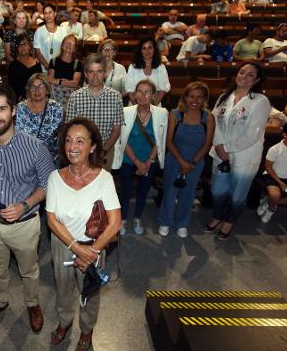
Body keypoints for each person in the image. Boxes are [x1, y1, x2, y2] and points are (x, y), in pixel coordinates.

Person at [0, 83, 55, 333]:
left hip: (24, 224)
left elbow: (48, 184)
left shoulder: (34, 146)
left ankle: (32, 303)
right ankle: (0, 301)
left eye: (1, 109)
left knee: (29, 270)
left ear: (14, 110)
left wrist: (25, 205)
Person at [46, 117, 121, 351]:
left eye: (80, 141)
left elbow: (115, 223)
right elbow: (51, 219)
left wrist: (92, 251)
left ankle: (87, 329)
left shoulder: (104, 179)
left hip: (94, 246)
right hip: (63, 244)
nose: (72, 146)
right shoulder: (55, 178)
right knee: (63, 288)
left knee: (90, 292)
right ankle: (64, 322)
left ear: (93, 146)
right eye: (68, 140)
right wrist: (77, 249)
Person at [205, 62, 271, 240]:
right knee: (217, 191)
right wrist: (219, 145)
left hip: (244, 156)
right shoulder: (224, 97)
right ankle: (218, 215)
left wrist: (226, 148)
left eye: (250, 75)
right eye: (242, 72)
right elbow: (213, 122)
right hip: (220, 153)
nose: (244, 76)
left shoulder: (260, 101)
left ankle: (229, 221)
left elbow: (253, 133)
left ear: (256, 80)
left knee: (237, 195)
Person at [157, 82, 215, 238]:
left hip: (196, 161)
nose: (194, 100)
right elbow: (169, 141)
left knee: (188, 194)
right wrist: (182, 162)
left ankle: (182, 223)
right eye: (191, 96)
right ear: (185, 97)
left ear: (204, 99)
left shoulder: (208, 117)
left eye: (199, 97)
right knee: (170, 191)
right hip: (175, 158)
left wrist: (193, 163)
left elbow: (207, 144)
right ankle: (165, 221)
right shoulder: (175, 114)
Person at [113, 80, 168, 235]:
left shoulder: (162, 113)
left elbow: (160, 140)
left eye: (147, 92)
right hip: (129, 159)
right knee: (126, 191)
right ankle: (122, 219)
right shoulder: (126, 111)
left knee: (144, 190)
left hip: (149, 161)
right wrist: (138, 163)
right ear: (135, 94)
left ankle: (137, 217)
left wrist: (148, 163)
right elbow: (123, 140)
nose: (143, 95)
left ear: (154, 95)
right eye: (139, 91)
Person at [66, 54, 124, 171]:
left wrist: (103, 151)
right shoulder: (75, 97)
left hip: (106, 151)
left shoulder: (116, 96)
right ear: (86, 74)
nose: (95, 76)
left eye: (99, 71)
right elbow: (69, 128)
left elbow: (116, 129)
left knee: (102, 187)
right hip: (80, 151)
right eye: (91, 72)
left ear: (104, 73)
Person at [256, 121, 287, 223]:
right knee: (275, 195)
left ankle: (269, 202)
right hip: (273, 177)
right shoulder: (275, 149)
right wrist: (280, 183)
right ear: (285, 135)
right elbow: (268, 167)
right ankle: (271, 209)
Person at [15, 74, 64, 166]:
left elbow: (62, 138)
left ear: (47, 89)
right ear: (28, 90)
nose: (37, 90)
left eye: (41, 86)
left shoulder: (57, 109)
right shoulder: (19, 108)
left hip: (51, 161)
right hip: (24, 161)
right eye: (33, 87)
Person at [126, 38, 171, 106]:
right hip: (134, 105)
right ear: (140, 51)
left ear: (154, 50)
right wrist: (137, 108)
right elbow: (129, 90)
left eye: (150, 47)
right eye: (144, 48)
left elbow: (163, 89)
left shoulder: (161, 67)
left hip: (155, 105)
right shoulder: (133, 67)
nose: (147, 51)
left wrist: (153, 108)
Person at [48, 34, 83, 107]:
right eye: (67, 42)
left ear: (75, 49)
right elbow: (50, 80)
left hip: (71, 100)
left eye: (71, 43)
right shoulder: (53, 61)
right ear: (62, 45)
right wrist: (67, 82)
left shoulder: (78, 63)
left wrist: (58, 81)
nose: (68, 45)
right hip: (55, 98)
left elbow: (75, 83)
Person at [8, 34, 42, 101]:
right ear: (17, 48)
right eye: (19, 45)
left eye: (25, 44)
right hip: (20, 99)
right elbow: (12, 87)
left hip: (36, 96)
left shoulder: (37, 63)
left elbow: (41, 82)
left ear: (30, 46)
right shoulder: (13, 65)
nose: (22, 47)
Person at [33, 4, 67, 73]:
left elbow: (65, 50)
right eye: (45, 13)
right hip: (44, 69)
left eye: (50, 12)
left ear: (55, 14)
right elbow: (38, 52)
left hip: (60, 67)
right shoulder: (39, 31)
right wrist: (47, 67)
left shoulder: (63, 30)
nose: (48, 15)